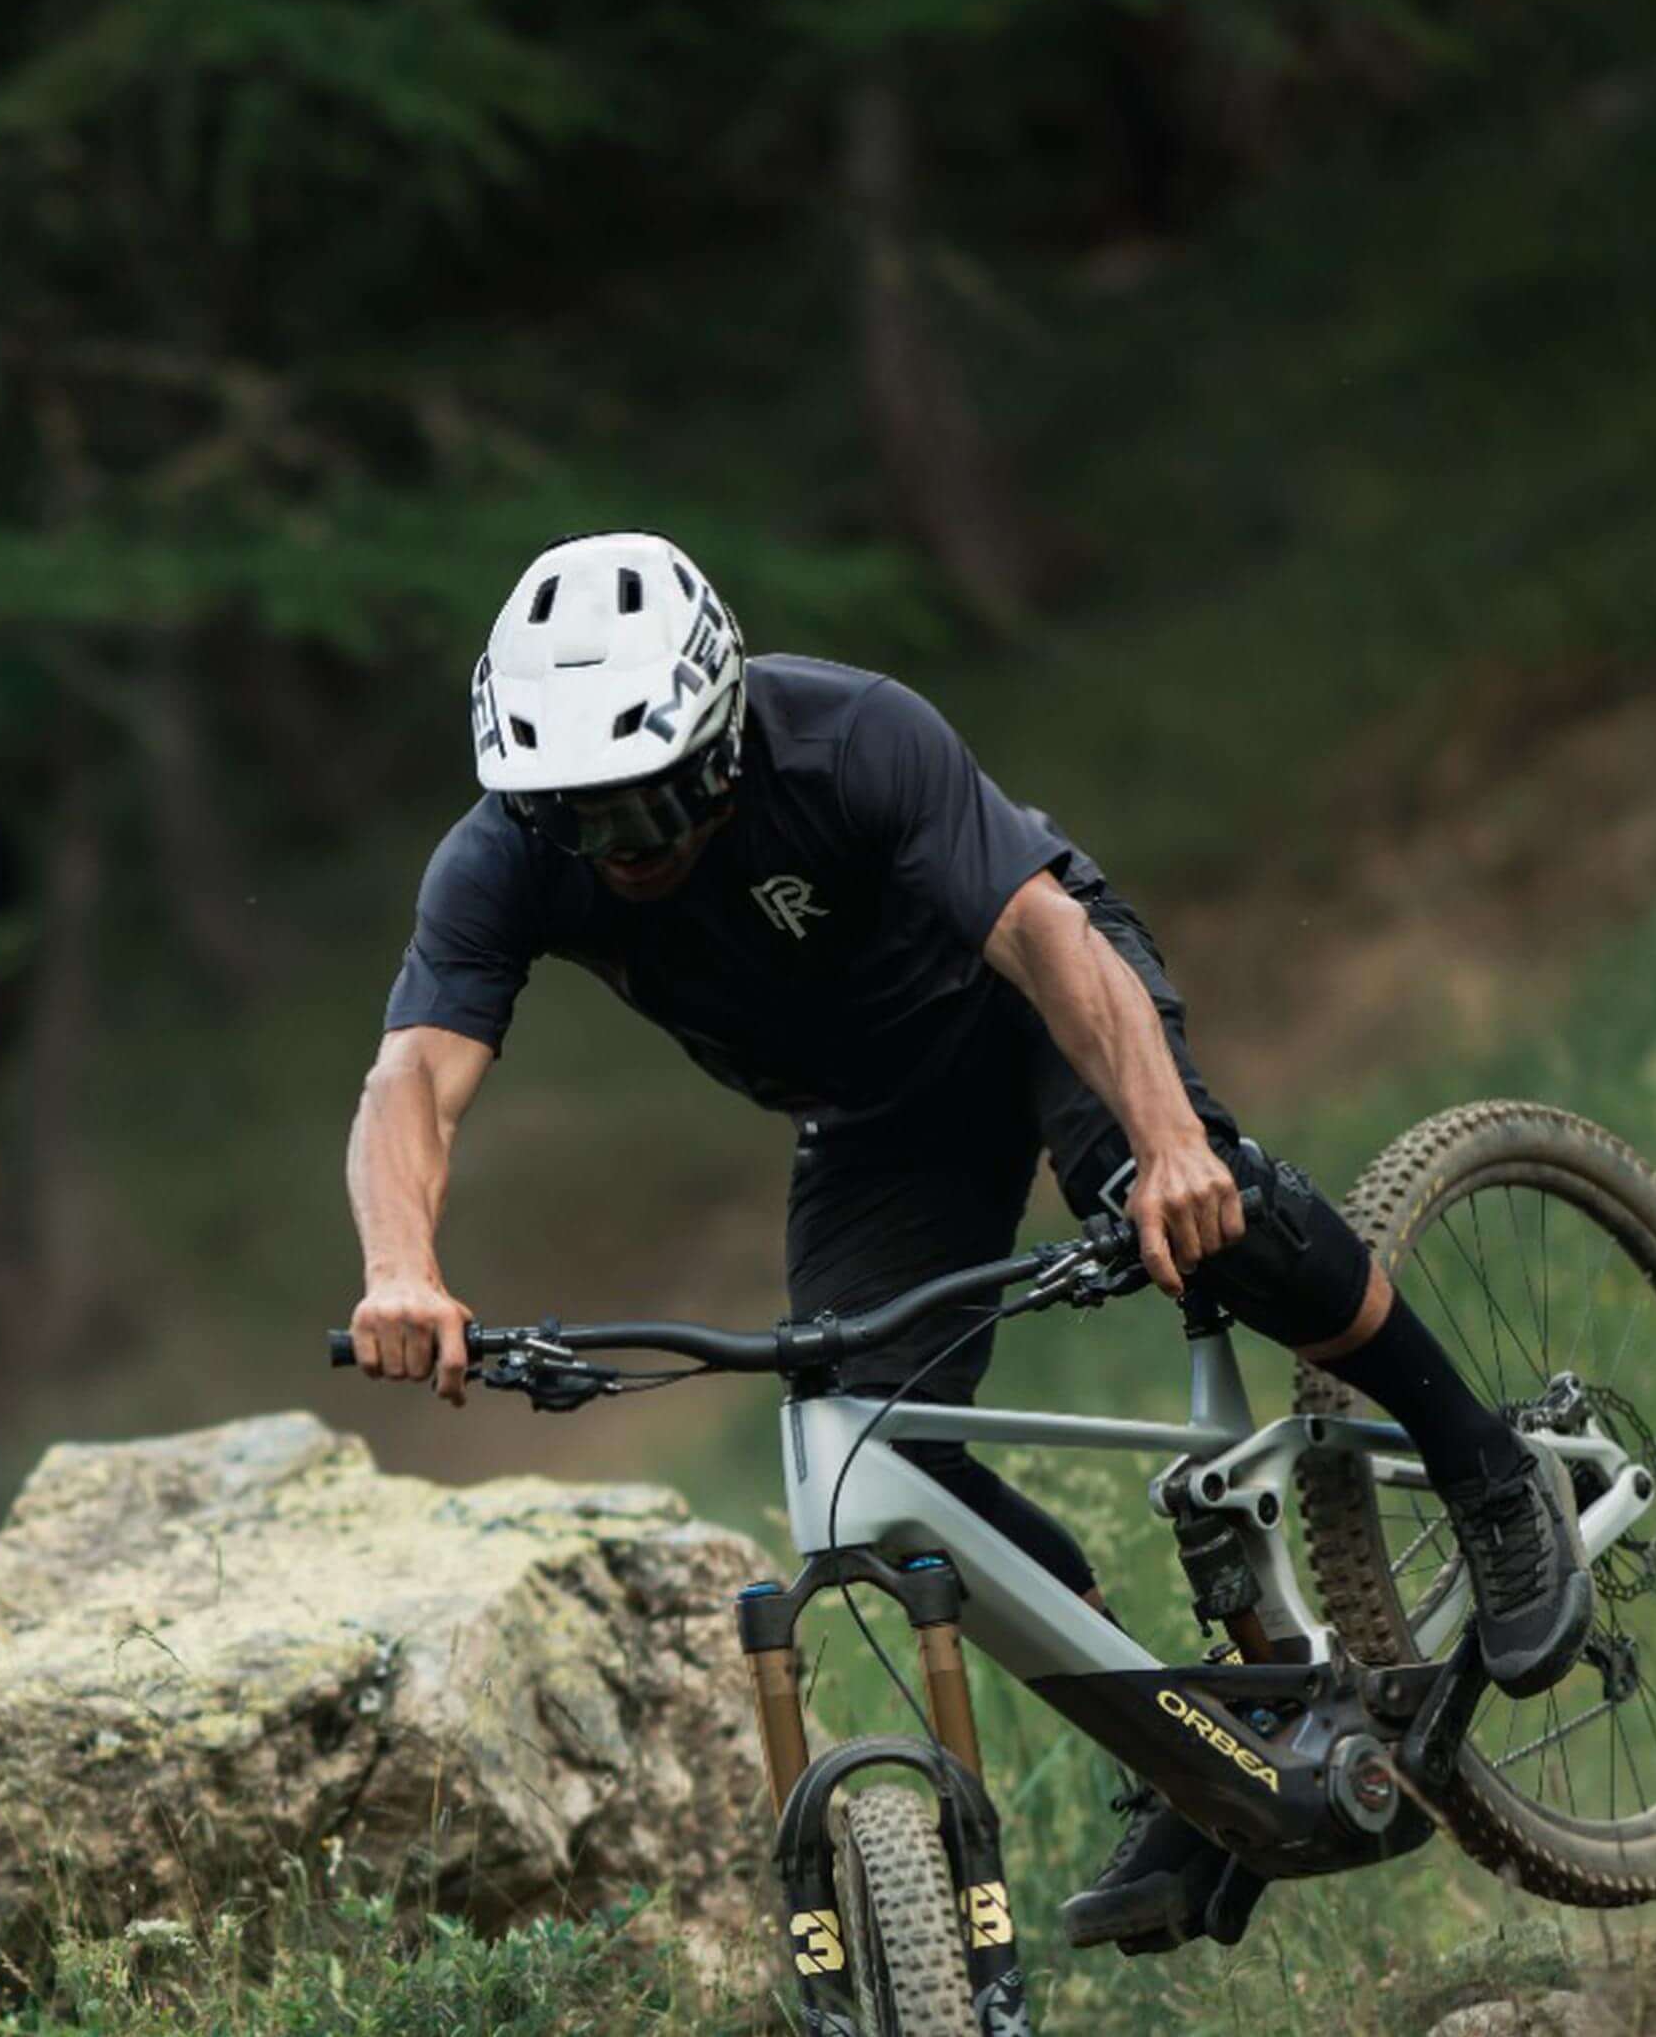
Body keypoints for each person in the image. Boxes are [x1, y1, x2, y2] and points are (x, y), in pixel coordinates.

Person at [340, 529, 1584, 1954]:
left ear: (720, 743)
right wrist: (399, 1266)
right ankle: (1180, 1741)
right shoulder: (504, 852)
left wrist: (1169, 1147)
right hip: (877, 1114)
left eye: (644, 810)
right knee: (871, 1451)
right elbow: (413, 1078)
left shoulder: (854, 737)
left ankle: (1485, 1470)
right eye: (577, 823)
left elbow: (1044, 935)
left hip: (1024, 1002)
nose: (617, 853)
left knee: (1189, 1211)